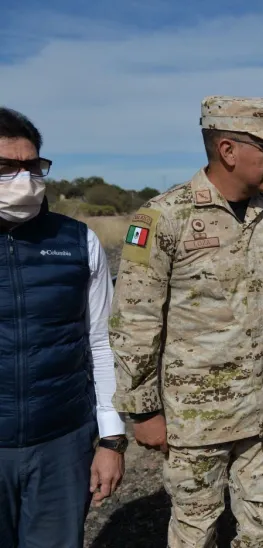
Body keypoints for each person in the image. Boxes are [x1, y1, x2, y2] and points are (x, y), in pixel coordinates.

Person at [110, 95, 263, 548]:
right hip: (196, 420)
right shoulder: (164, 217)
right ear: (228, 151)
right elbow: (134, 319)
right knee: (195, 533)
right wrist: (143, 410)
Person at [0, 107, 127, 547]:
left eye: (32, 166)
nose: (24, 179)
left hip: (61, 442)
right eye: (6, 168)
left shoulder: (77, 241)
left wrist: (111, 439)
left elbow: (101, 340)